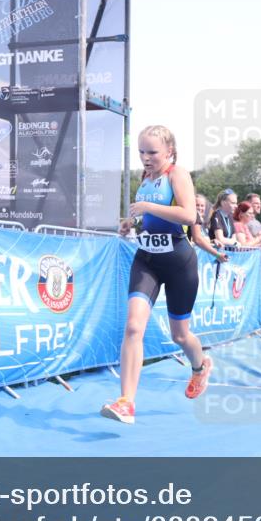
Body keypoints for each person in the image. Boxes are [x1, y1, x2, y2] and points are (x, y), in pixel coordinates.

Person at [103, 125, 213, 425]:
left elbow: (189, 215)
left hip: (179, 262)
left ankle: (200, 366)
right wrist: (130, 222)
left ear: (169, 151)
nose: (145, 157)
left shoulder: (177, 175)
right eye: (141, 151)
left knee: (180, 335)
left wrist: (147, 206)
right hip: (147, 260)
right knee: (133, 327)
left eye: (152, 152)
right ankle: (126, 402)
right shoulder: (145, 178)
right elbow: (147, 217)